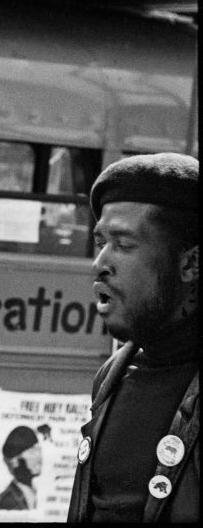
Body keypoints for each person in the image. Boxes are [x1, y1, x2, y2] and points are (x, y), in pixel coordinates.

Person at [68, 152, 198, 523]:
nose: (100, 264)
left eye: (123, 245)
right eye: (100, 243)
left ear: (190, 264)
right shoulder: (111, 376)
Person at [0, 425, 42, 510]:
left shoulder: (34, 493)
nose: (39, 458)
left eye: (38, 450)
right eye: (32, 452)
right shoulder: (6, 501)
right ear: (15, 461)